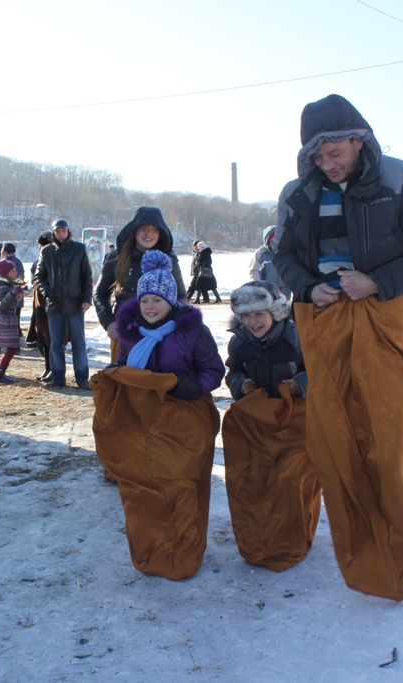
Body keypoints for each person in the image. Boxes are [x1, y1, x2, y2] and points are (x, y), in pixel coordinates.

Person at [272, 93, 403, 601]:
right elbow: (284, 253)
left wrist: (375, 283)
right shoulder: (297, 193)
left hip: (381, 316)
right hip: (322, 318)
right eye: (318, 156)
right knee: (334, 440)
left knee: (388, 437)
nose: (327, 164)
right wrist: (309, 288)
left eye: (336, 153)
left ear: (360, 140)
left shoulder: (399, 179)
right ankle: (360, 555)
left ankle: (395, 557)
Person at [92, 251, 225, 580]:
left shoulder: (192, 332)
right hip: (141, 425)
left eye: (157, 300)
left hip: (184, 422)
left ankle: (183, 552)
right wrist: (111, 378)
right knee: (143, 491)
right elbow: (123, 368)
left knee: (179, 487)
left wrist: (182, 386)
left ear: (171, 300)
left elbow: (214, 371)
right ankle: (153, 551)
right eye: (145, 299)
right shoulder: (132, 332)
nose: (150, 306)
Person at [221, 281, 320, 572]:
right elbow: (233, 372)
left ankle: (292, 537)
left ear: (275, 312)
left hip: (297, 422)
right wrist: (241, 386)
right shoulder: (239, 342)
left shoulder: (296, 337)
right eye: (246, 316)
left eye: (259, 314)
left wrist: (300, 384)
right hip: (260, 422)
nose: (253, 322)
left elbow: (319, 369)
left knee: (291, 479)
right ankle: (262, 535)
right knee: (256, 480)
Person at [94, 206, 187, 363]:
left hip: (160, 334)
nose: (148, 233)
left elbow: (181, 296)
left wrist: (175, 325)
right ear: (134, 230)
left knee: (155, 384)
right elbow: (100, 293)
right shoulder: (116, 258)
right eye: (143, 228)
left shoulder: (169, 259)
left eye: (154, 229)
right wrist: (109, 322)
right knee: (122, 381)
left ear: (161, 233)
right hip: (125, 331)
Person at [34, 218, 93, 390]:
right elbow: (39, 276)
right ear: (53, 233)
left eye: (63, 231)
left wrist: (86, 299)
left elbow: (86, 276)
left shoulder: (79, 249)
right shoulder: (47, 252)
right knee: (56, 342)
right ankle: (58, 377)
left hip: (75, 303)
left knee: (79, 342)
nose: (61, 234)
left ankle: (82, 378)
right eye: (58, 232)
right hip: (55, 304)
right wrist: (48, 292)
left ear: (68, 231)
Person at [0, 260, 26, 384]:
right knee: (12, 348)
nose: (16, 273)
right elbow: (2, 306)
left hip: (7, 320)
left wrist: (18, 292)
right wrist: (14, 293)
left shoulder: (7, 285)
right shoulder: (4, 287)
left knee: (12, 348)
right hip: (3, 321)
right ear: (5, 273)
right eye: (13, 271)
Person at [26, 231, 54, 382]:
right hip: (38, 306)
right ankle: (47, 367)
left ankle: (52, 368)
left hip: (49, 304)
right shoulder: (38, 261)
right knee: (40, 339)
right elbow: (34, 279)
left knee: (50, 339)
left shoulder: (53, 259)